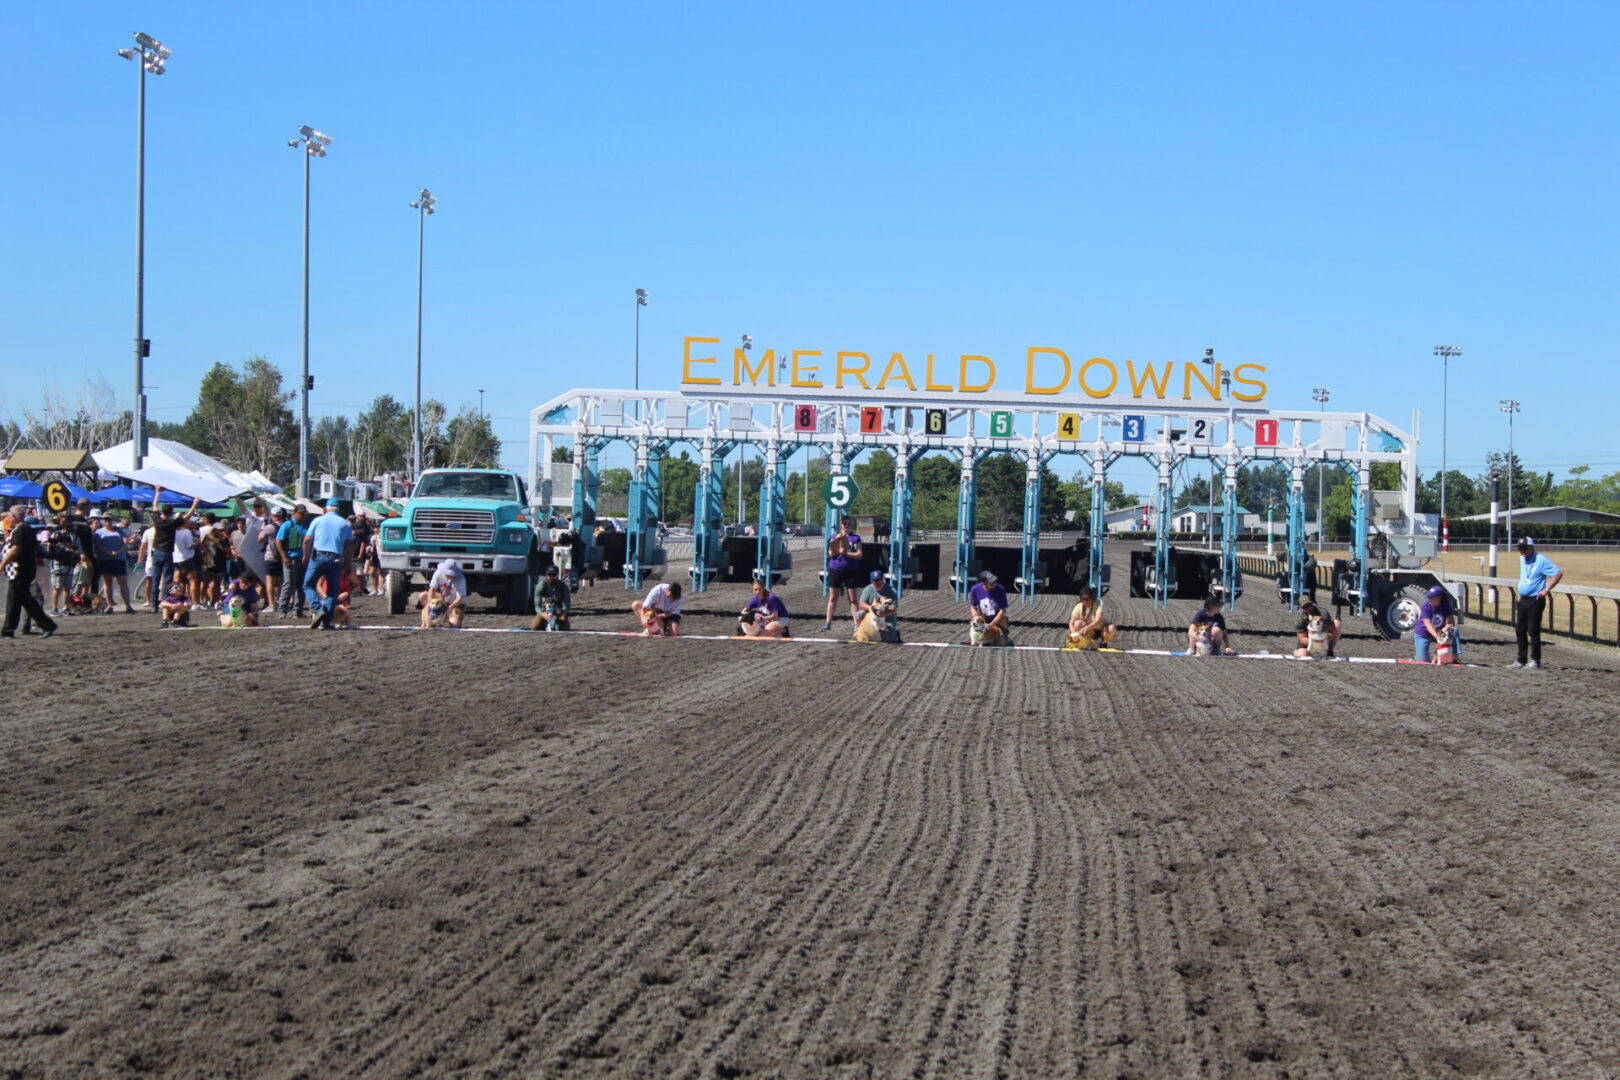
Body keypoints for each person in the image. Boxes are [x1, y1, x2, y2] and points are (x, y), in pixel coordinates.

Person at [2, 513, 58, 640]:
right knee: (15, 600)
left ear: (16, 516)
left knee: (24, 599)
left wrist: (2, 564)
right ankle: (8, 630)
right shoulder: (20, 529)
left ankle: (47, 625)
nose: (7, 519)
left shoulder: (21, 529)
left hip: (19, 570)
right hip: (17, 570)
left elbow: (16, 549)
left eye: (9, 516)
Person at [302, 499, 355, 630]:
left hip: (318, 556)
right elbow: (349, 545)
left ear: (326, 508)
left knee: (308, 584)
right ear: (338, 509)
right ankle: (325, 623)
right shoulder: (345, 523)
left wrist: (305, 555)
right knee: (332, 591)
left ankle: (317, 609)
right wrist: (348, 562)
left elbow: (307, 540)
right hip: (336, 558)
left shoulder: (318, 520)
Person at [1512, 537, 1561, 670]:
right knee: (1520, 630)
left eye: (1524, 548)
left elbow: (1558, 574)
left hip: (1535, 600)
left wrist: (1546, 589)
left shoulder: (1541, 560)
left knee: (1533, 630)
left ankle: (1535, 660)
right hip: (1523, 599)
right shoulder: (1522, 559)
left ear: (1531, 547)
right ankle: (1521, 659)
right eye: (1520, 549)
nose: (1522, 551)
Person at [820, 516, 864, 632]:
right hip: (836, 569)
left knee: (853, 599)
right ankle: (828, 623)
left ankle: (856, 624)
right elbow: (831, 554)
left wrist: (846, 554)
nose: (847, 525)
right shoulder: (834, 537)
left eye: (849, 523)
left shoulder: (855, 538)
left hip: (851, 570)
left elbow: (859, 555)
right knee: (833, 597)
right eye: (845, 523)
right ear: (841, 525)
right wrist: (838, 545)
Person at [95, 512, 135, 613]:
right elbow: (98, 545)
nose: (107, 521)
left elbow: (125, 542)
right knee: (107, 582)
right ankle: (109, 605)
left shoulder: (119, 530)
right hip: (105, 559)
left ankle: (128, 605)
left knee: (122, 581)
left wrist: (119, 551)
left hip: (119, 559)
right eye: (105, 519)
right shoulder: (99, 532)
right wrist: (108, 552)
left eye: (109, 519)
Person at [1413, 584, 1461, 663]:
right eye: (1429, 597)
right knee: (1423, 661)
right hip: (1423, 633)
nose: (1429, 599)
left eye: (1431, 597)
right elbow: (1428, 625)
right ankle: (1418, 656)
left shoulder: (1446, 605)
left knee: (1454, 630)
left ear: (1439, 598)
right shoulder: (1425, 606)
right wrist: (1437, 637)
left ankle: (1454, 656)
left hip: (1439, 632)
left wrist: (1445, 629)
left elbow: (1451, 622)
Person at [277, 507, 310, 616]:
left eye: (304, 513)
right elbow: (278, 541)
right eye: (301, 513)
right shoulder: (288, 525)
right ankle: (282, 609)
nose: (303, 515)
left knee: (302, 585)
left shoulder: (307, 525)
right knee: (288, 584)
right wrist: (284, 556)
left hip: (304, 559)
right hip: (291, 558)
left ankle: (298, 610)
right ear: (295, 513)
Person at [967, 570, 1012, 646]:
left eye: (995, 581)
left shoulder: (1000, 589)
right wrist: (976, 619)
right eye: (991, 583)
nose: (994, 584)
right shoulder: (975, 589)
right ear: (984, 583)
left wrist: (991, 625)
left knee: (1001, 644)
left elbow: (1002, 610)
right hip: (983, 620)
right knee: (981, 641)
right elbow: (973, 607)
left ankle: (1005, 638)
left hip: (999, 619)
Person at [1065, 585, 1118, 650]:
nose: (1085, 602)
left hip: (1102, 629)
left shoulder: (1098, 603)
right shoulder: (1079, 606)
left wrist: (1086, 628)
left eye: (1088, 599)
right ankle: (1087, 642)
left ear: (1092, 597)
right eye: (1083, 599)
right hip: (1090, 632)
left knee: (1112, 628)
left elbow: (1097, 620)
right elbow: (1071, 623)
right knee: (1077, 624)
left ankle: (1104, 642)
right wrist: (1074, 633)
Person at [855, 569, 900, 643]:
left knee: (889, 640)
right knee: (859, 614)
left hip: (886, 619)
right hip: (871, 617)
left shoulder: (891, 591)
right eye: (875, 581)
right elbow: (861, 604)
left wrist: (883, 614)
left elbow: (893, 608)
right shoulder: (868, 589)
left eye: (879, 580)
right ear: (871, 582)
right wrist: (871, 608)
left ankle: (894, 633)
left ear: (883, 580)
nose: (877, 583)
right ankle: (860, 630)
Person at [427, 558, 469, 628]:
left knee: (455, 624)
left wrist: (450, 608)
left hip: (456, 604)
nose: (450, 575)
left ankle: (449, 617)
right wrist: (429, 604)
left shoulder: (461, 578)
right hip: (442, 601)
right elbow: (432, 589)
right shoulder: (438, 573)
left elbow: (460, 597)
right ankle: (437, 618)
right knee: (423, 596)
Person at [530, 564, 573, 631]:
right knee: (534, 627)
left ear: (557, 575)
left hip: (559, 611)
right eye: (549, 575)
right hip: (544, 611)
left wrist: (562, 612)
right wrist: (542, 614)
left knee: (564, 629)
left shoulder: (563, 586)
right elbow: (537, 606)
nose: (551, 577)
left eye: (553, 575)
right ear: (546, 575)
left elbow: (567, 605)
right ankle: (545, 625)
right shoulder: (540, 586)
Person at [261, 507, 287, 610]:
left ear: (273, 515)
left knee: (270, 581)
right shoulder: (286, 526)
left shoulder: (269, 527)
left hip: (270, 556)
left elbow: (260, 539)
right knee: (281, 580)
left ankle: (272, 604)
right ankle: (281, 601)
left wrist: (262, 529)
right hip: (282, 556)